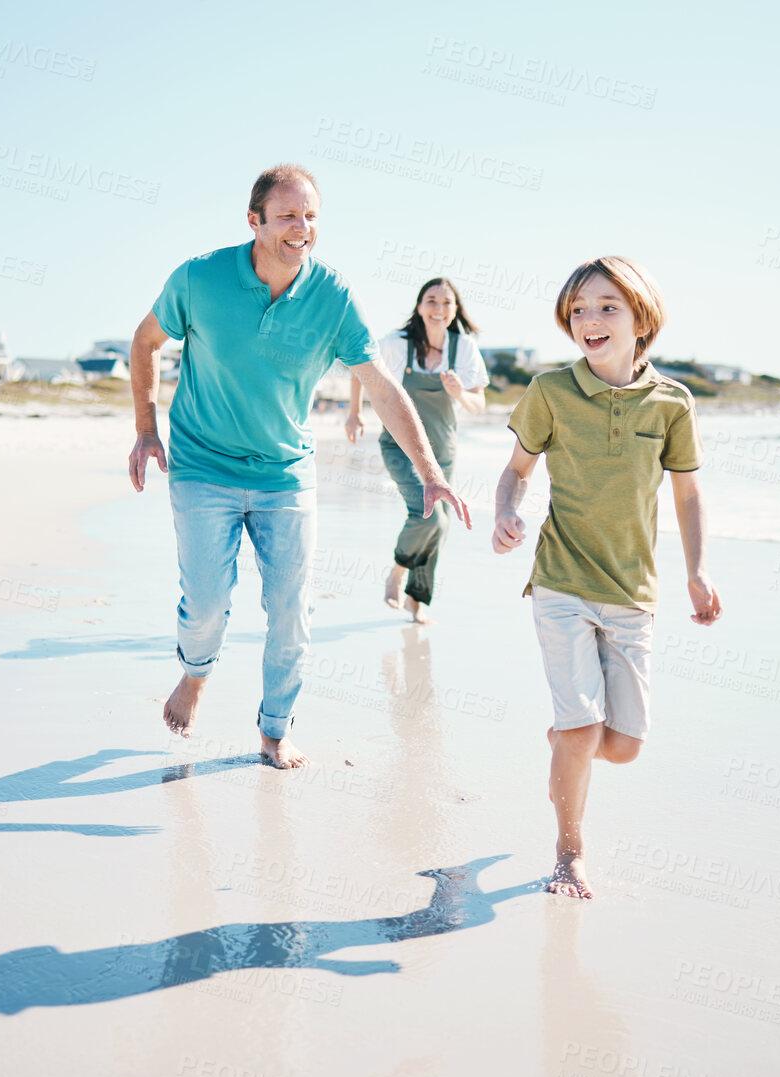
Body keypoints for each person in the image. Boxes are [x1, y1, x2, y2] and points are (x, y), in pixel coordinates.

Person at [126, 164, 471, 770]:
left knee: (291, 606)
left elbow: (382, 386)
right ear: (254, 220)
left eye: (310, 216)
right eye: (287, 215)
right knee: (207, 604)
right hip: (203, 466)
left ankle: (275, 728)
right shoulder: (200, 278)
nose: (301, 227)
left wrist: (430, 470)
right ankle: (196, 674)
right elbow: (145, 342)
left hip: (285, 473)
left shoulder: (332, 296)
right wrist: (146, 432)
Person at [491, 256, 723, 899]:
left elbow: (688, 496)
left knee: (620, 746)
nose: (589, 320)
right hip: (562, 580)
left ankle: (567, 740)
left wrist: (697, 573)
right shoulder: (550, 392)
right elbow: (516, 470)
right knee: (582, 728)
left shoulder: (672, 403)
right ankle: (570, 851)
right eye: (579, 310)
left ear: (640, 317)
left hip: (633, 592)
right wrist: (508, 511)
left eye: (606, 307)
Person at [343, 279, 488, 623]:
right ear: (420, 307)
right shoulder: (397, 344)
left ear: (456, 310)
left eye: (447, 303)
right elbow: (359, 367)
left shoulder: (463, 347)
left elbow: (478, 404)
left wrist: (459, 394)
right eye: (432, 301)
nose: (439, 309)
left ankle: (416, 600)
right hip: (399, 447)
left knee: (441, 526)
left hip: (444, 450)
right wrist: (354, 413)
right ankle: (397, 569)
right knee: (429, 515)